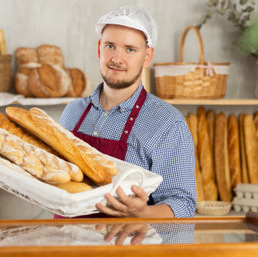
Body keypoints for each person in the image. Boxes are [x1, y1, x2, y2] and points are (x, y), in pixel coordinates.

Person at [58, 6, 197, 244]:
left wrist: (145, 214)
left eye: (130, 49)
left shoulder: (168, 123)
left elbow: (183, 205)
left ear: (147, 56)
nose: (116, 58)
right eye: (110, 45)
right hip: (67, 256)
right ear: (98, 48)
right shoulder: (73, 112)